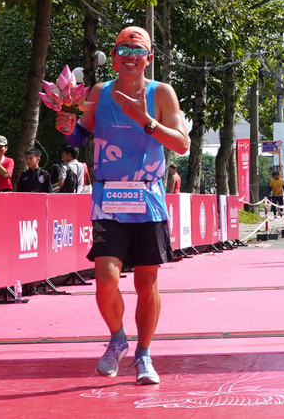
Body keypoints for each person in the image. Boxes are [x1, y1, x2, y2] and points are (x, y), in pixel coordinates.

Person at [54, 26, 190, 385]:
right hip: (108, 198)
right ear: (113, 57)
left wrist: (145, 121)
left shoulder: (161, 93)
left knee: (147, 283)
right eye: (122, 49)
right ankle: (117, 339)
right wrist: (67, 125)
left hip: (148, 197)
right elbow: (79, 135)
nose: (129, 56)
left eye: (137, 50)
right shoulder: (99, 93)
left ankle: (144, 355)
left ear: (149, 57)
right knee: (105, 278)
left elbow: (181, 144)